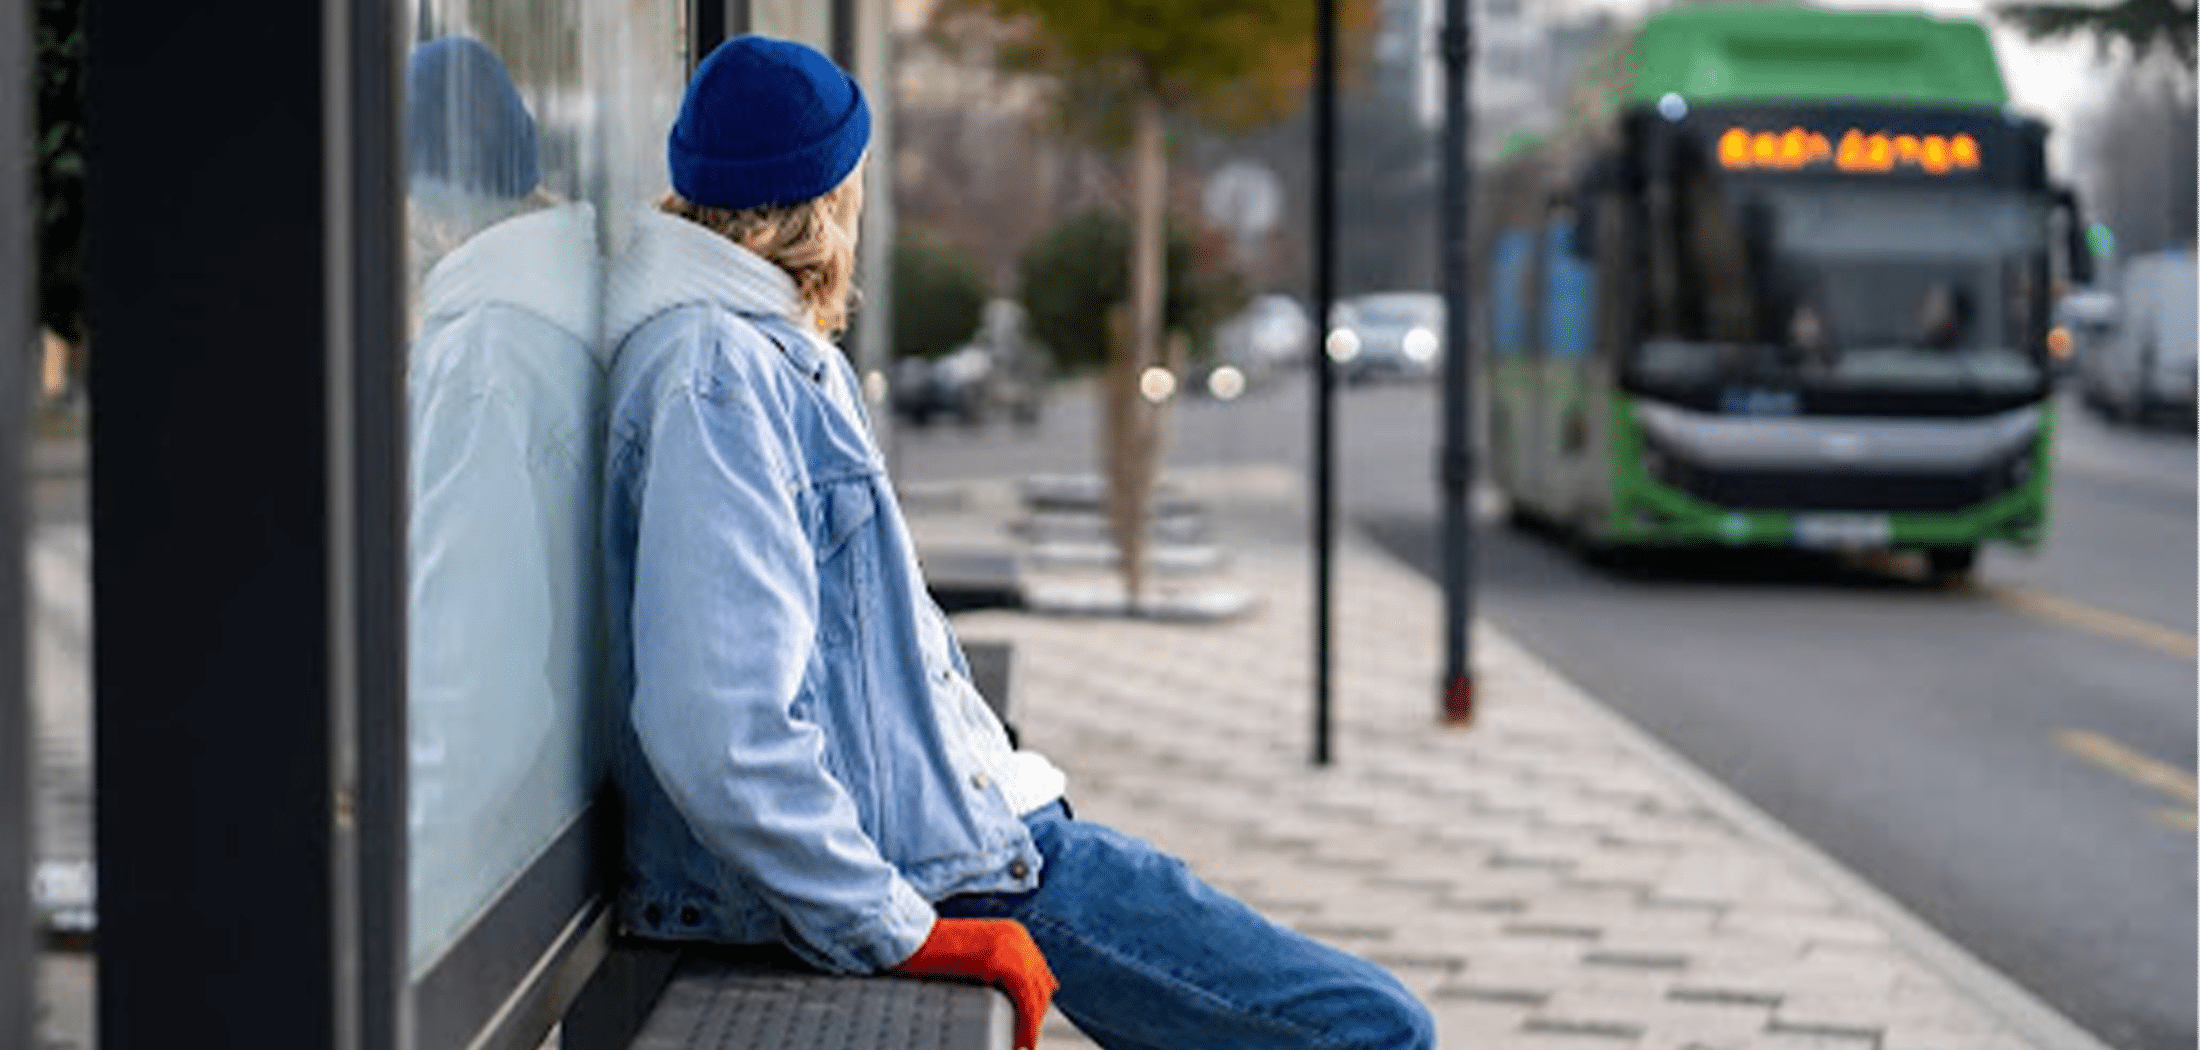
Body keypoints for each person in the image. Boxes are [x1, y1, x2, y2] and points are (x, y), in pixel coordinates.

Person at [600, 36, 1434, 1050]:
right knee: (1372, 1029)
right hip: (936, 873)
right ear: (827, 199)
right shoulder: (718, 374)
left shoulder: (757, 352)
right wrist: (894, 928)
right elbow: (720, 728)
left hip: (969, 830)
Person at [403, 36, 605, 969]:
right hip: (566, 840)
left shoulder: (483, 355)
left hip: (498, 869)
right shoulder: (566, 303)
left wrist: (396, 909)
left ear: (424, 209)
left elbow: (477, 697)